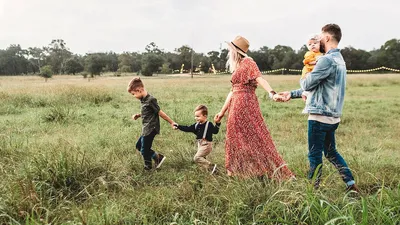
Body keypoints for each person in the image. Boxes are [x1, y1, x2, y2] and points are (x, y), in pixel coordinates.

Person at [277, 24, 360, 192]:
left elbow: (307, 83)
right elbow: (319, 87)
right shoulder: (340, 60)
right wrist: (291, 94)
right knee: (330, 153)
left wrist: (306, 71)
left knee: (314, 155)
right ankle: (351, 185)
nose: (319, 40)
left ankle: (312, 191)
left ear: (327, 38)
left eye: (321, 37)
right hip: (333, 116)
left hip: (319, 116)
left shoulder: (326, 60)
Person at [214, 35, 295, 179]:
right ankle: (236, 171)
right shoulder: (238, 66)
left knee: (254, 137)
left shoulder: (248, 62)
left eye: (230, 50)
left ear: (236, 51)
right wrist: (222, 112)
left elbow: (260, 78)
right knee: (234, 138)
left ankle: (258, 170)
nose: (228, 53)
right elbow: (233, 91)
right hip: (235, 104)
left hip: (245, 103)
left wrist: (272, 93)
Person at [127, 77, 176, 170]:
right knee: (139, 146)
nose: (134, 96)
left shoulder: (151, 100)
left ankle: (148, 167)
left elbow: (160, 112)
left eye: (133, 94)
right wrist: (139, 115)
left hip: (151, 128)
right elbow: (148, 112)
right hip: (146, 128)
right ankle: (158, 158)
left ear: (139, 90)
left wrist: (172, 122)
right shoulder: (144, 100)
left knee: (144, 150)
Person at [173, 105, 220, 174]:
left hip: (206, 144)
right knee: (202, 158)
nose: (196, 118)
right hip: (200, 144)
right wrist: (178, 126)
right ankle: (209, 171)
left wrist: (217, 124)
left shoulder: (208, 124)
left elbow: (215, 131)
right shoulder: (196, 125)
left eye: (198, 116)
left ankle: (212, 167)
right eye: (195, 116)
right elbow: (188, 128)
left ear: (205, 116)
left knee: (197, 158)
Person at [301, 34, 324, 101]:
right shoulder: (309, 53)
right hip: (308, 71)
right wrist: (316, 62)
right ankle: (305, 93)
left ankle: (307, 93)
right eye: (310, 44)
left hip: (315, 71)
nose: (312, 45)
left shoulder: (320, 53)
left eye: (315, 43)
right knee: (311, 82)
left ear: (319, 44)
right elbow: (306, 61)